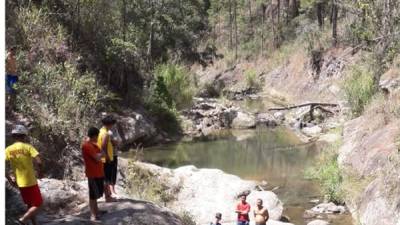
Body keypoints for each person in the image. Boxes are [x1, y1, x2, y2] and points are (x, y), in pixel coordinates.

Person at [5, 125, 43, 225]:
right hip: (30, 181)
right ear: (24, 136)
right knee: (39, 204)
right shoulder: (28, 147)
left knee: (30, 204)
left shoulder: (8, 149)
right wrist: (39, 173)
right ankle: (22, 220)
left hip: (20, 182)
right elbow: (39, 161)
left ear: (13, 136)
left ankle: (34, 224)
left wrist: (9, 179)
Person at [82, 127, 106, 221]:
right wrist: (100, 155)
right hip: (92, 174)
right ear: (95, 136)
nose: (98, 138)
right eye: (97, 136)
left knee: (96, 194)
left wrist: (100, 155)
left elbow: (102, 154)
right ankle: (92, 215)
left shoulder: (94, 145)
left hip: (99, 173)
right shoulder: (87, 146)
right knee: (92, 195)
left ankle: (97, 211)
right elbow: (98, 157)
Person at [97, 115, 117, 202]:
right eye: (112, 124)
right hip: (105, 159)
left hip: (101, 158)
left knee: (105, 178)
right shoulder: (105, 134)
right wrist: (108, 158)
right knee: (107, 179)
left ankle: (108, 195)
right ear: (109, 124)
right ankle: (108, 197)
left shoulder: (100, 131)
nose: (112, 126)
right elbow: (103, 147)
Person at [110, 126, 122, 198]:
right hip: (109, 154)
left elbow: (118, 140)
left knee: (113, 172)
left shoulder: (114, 129)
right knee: (110, 172)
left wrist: (115, 142)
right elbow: (115, 141)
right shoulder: (105, 130)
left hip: (114, 153)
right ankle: (111, 191)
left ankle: (113, 190)